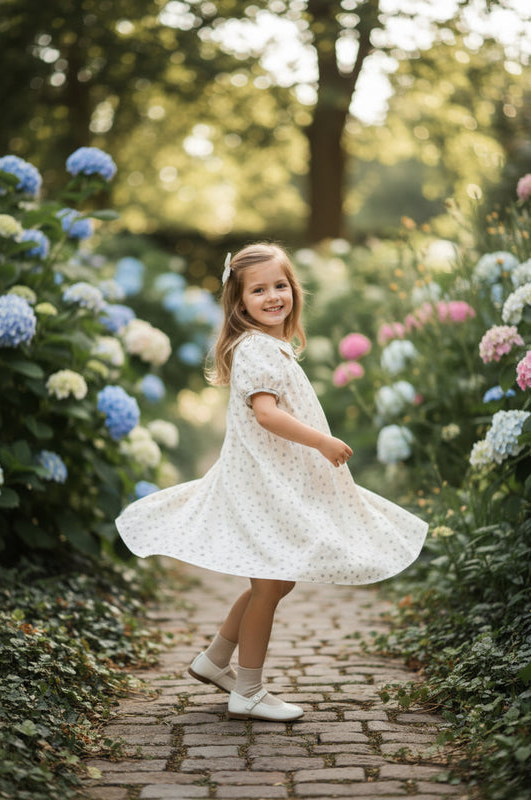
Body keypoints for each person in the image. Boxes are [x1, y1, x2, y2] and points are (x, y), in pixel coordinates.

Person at [115, 242, 428, 723]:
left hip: (271, 480)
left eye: (280, 286)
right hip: (264, 484)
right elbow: (266, 415)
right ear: (240, 303)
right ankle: (249, 690)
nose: (273, 296)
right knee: (269, 584)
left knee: (276, 581)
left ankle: (216, 658)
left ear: (293, 291)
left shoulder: (271, 346)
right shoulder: (257, 349)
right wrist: (321, 442)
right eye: (258, 290)